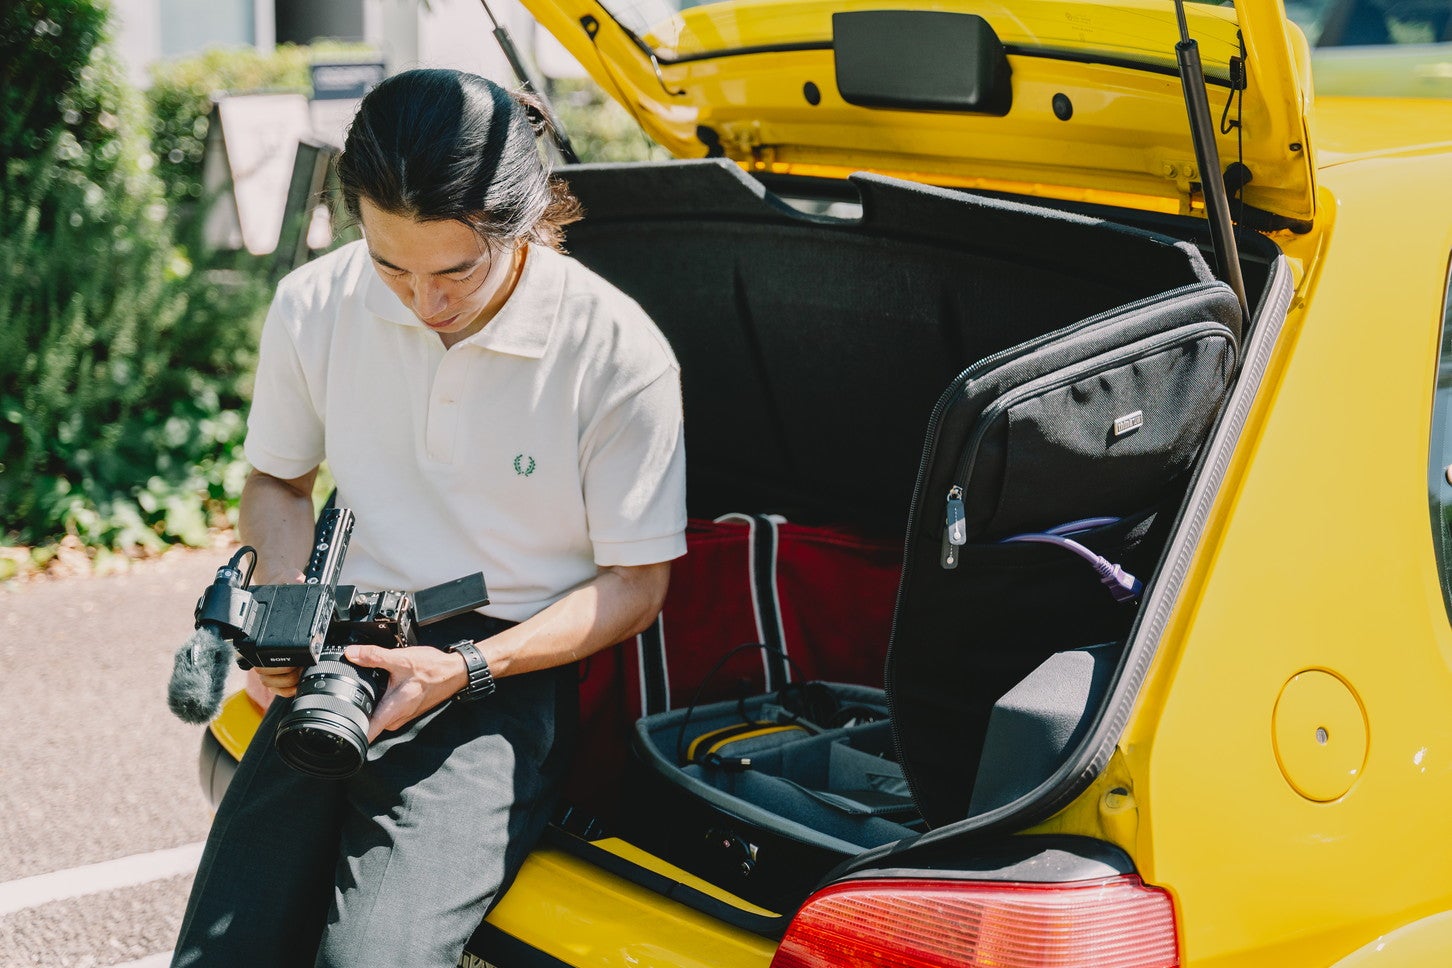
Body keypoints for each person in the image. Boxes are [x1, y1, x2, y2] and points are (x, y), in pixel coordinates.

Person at [171, 68, 686, 968]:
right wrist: (286, 615)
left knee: (374, 959)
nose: (423, 301)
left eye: (456, 270)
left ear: (524, 222)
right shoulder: (315, 302)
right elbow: (278, 483)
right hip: (339, 647)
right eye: (390, 266)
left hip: (506, 667)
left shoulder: (616, 352)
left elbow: (637, 586)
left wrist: (465, 667)